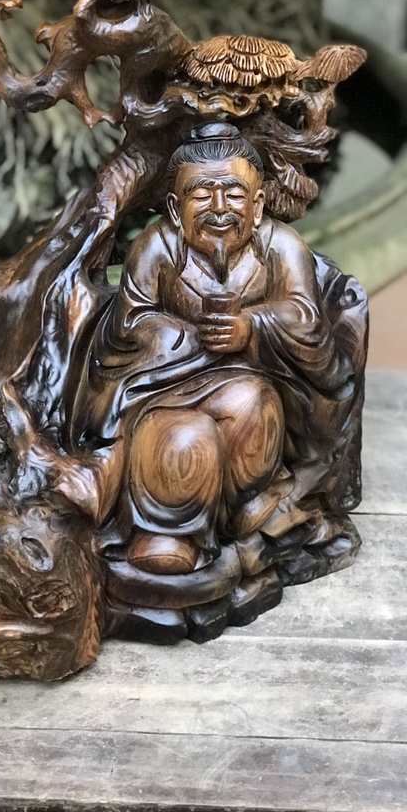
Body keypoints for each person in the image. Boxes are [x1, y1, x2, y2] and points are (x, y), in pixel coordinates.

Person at [70, 122, 365, 579]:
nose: (220, 208)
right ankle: (168, 530)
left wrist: (252, 328)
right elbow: (129, 325)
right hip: (162, 389)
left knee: (253, 405)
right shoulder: (156, 248)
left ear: (258, 204)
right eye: (203, 194)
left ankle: (242, 506)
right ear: (175, 207)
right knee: (184, 438)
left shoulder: (281, 247)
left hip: (248, 382)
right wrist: (193, 339)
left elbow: (305, 317)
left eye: (233, 193)